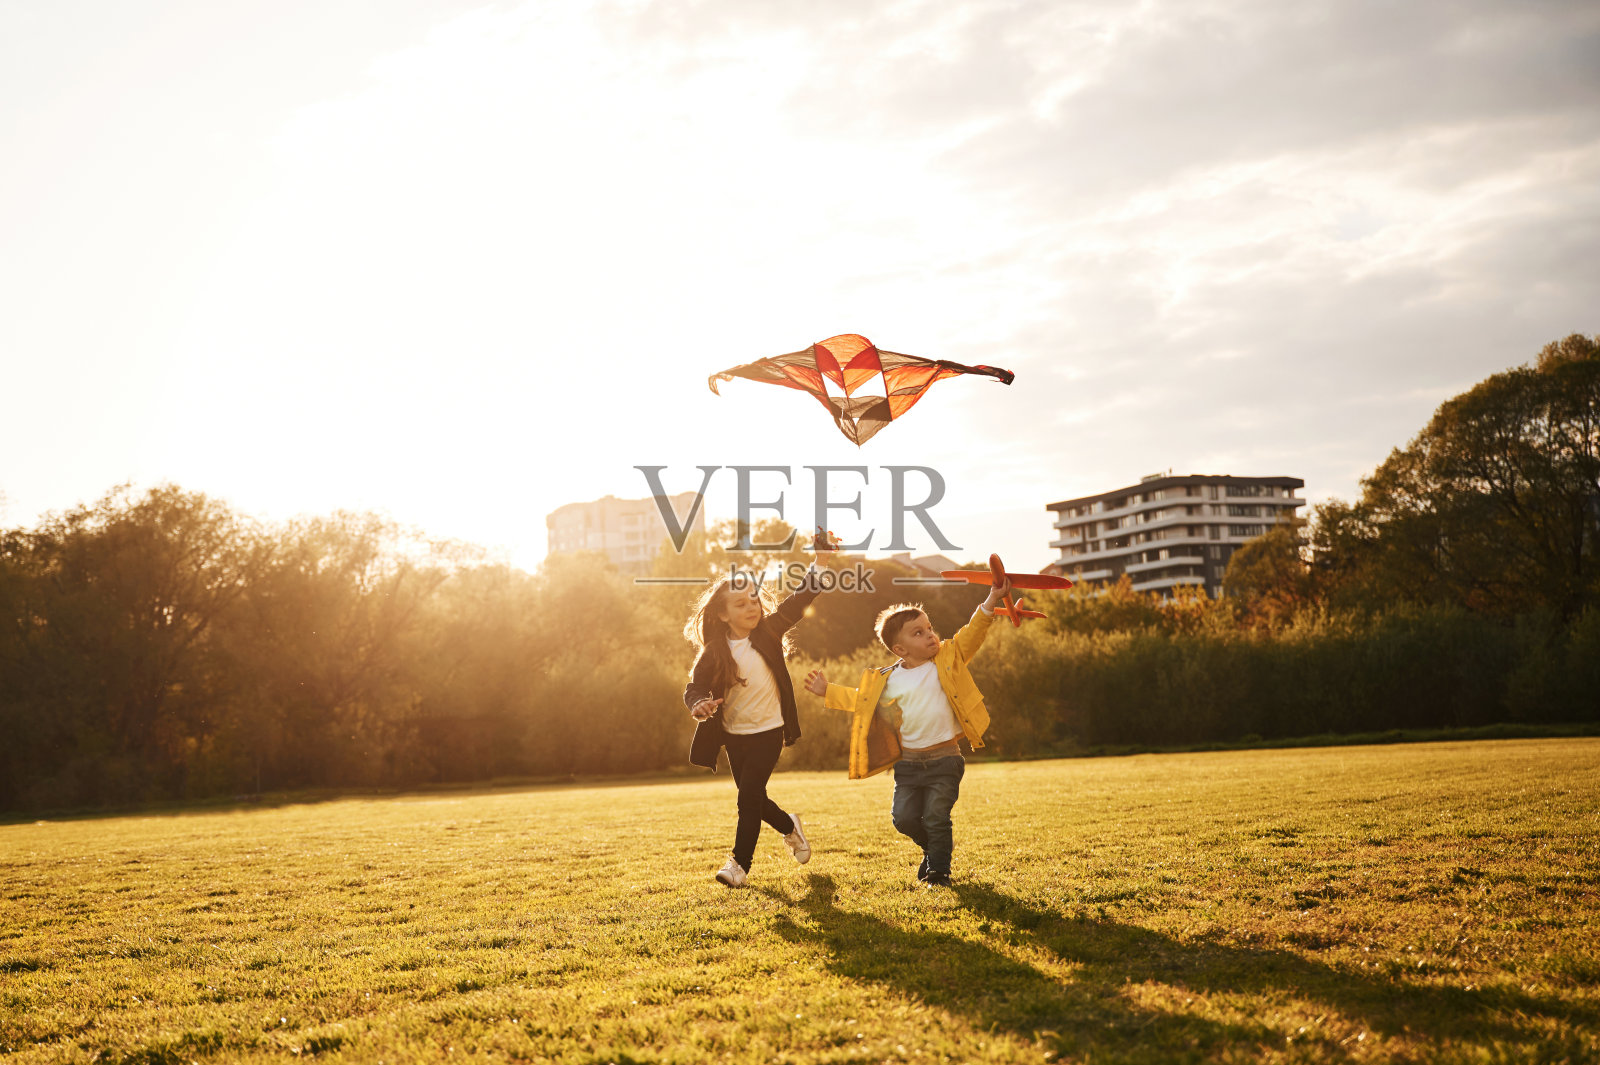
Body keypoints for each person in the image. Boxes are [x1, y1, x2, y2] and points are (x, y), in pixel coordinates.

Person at [803, 577, 1010, 886]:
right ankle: (933, 849)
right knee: (904, 819)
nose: (930, 635)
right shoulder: (888, 681)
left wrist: (992, 599)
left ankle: (938, 873)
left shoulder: (947, 659)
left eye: (929, 628)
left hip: (945, 761)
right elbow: (861, 700)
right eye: (919, 633)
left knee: (938, 816)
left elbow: (972, 634)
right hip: (908, 765)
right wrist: (827, 690)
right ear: (900, 649)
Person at [682, 539, 833, 888]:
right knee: (755, 798)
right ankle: (789, 827)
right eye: (740, 604)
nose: (751, 607)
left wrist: (820, 561)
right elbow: (694, 687)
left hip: (769, 731)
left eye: (754, 600)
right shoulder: (714, 652)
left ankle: (738, 865)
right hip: (735, 735)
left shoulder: (768, 630)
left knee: (747, 798)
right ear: (723, 614)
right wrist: (698, 704)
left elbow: (800, 600)